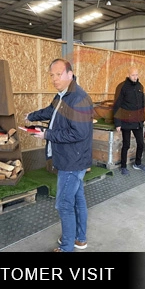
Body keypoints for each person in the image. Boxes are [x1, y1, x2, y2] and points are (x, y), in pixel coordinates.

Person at [23, 59, 93, 254]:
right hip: (73, 158)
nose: (54, 79)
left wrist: (46, 134)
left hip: (73, 160)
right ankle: (79, 239)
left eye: (58, 74)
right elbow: (50, 111)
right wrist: (32, 116)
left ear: (70, 74)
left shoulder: (78, 99)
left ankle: (66, 247)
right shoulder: (63, 95)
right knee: (77, 200)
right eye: (52, 75)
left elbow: (78, 133)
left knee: (64, 205)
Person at [112, 67, 145, 175]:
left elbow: (142, 104)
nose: (135, 77)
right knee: (126, 144)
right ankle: (123, 166)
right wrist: (118, 123)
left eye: (137, 75)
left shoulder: (140, 86)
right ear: (128, 75)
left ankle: (138, 163)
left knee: (141, 143)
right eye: (133, 75)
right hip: (126, 121)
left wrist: (143, 118)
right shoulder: (122, 87)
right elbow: (117, 105)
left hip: (138, 121)